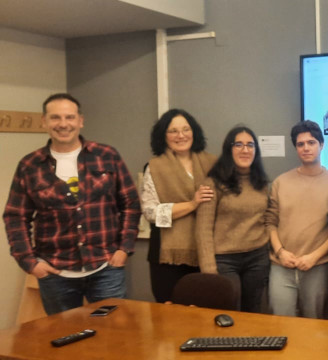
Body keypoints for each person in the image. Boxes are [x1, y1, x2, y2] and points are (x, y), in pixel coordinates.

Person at [3, 93, 141, 315]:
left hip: (105, 267)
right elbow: (14, 217)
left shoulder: (106, 156)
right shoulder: (30, 165)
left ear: (80, 120)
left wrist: (124, 249)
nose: (63, 124)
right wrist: (29, 262)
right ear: (44, 122)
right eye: (55, 118)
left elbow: (131, 204)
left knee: (113, 337)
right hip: (55, 273)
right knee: (64, 339)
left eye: (69, 117)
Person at [141, 109, 217, 303]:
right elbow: (151, 213)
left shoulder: (213, 163)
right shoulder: (154, 167)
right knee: (170, 315)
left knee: (205, 312)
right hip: (167, 257)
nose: (181, 135)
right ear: (163, 136)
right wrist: (193, 204)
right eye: (173, 131)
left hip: (208, 250)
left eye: (186, 129)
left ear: (194, 132)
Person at [266, 121, 328, 318]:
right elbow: (270, 222)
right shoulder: (281, 182)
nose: (306, 148)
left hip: (317, 266)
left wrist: (314, 257)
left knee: (313, 324)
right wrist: (280, 252)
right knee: (281, 322)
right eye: (300, 144)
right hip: (281, 265)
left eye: (311, 142)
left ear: (321, 145)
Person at [196, 126, 270, 313]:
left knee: (254, 311)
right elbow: (203, 230)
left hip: (257, 258)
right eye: (239, 144)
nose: (245, 150)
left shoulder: (261, 183)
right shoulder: (213, 183)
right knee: (229, 311)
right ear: (229, 149)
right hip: (224, 261)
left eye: (250, 145)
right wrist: (209, 271)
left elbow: (268, 219)